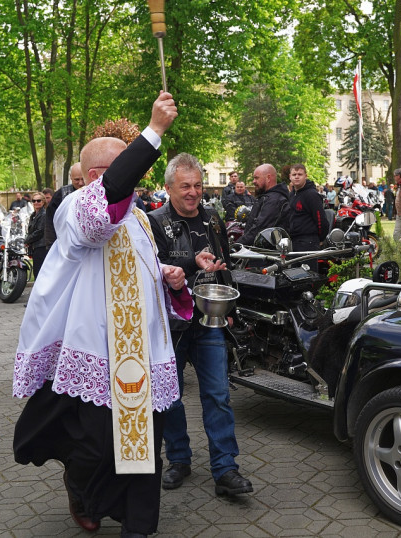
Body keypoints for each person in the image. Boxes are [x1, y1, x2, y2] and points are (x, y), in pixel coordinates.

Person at [13, 92, 190, 538]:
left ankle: (137, 524)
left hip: (143, 356)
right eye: (127, 167)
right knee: (97, 449)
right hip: (97, 352)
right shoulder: (77, 207)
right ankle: (82, 489)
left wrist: (168, 278)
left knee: (145, 445)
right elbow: (103, 213)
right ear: (96, 175)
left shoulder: (141, 219)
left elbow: (141, 272)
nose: (136, 178)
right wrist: (153, 131)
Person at [147, 154, 254, 498]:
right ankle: (179, 459)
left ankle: (225, 469)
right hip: (171, 325)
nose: (193, 193)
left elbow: (223, 266)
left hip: (210, 320)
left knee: (219, 396)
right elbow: (151, 270)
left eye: (197, 185)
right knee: (171, 397)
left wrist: (231, 308)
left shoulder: (213, 219)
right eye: (185, 187)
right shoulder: (153, 222)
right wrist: (190, 264)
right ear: (168, 188)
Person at [237, 164, 291, 246]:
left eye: (256, 178)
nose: (253, 181)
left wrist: (237, 246)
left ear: (268, 178)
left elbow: (260, 229)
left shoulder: (274, 200)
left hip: (266, 253)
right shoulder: (266, 197)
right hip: (259, 251)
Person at [44, 162, 86, 248]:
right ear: (71, 177)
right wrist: (51, 245)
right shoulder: (60, 194)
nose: (81, 183)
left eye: (83, 179)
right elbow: (50, 219)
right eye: (77, 180)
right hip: (66, 243)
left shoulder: (96, 192)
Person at [288, 164, 326, 257]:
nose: (296, 177)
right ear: (290, 177)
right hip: (294, 241)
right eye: (294, 174)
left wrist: (320, 239)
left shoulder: (311, 195)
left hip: (308, 242)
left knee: (308, 271)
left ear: (306, 176)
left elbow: (320, 219)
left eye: (300, 174)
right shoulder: (292, 194)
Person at [23, 192, 48, 274]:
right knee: (37, 270)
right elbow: (31, 231)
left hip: (42, 247)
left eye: (38, 200)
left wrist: (27, 240)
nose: (36, 203)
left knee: (40, 271)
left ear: (43, 201)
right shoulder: (33, 215)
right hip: (36, 247)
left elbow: (39, 231)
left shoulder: (44, 214)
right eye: (34, 201)